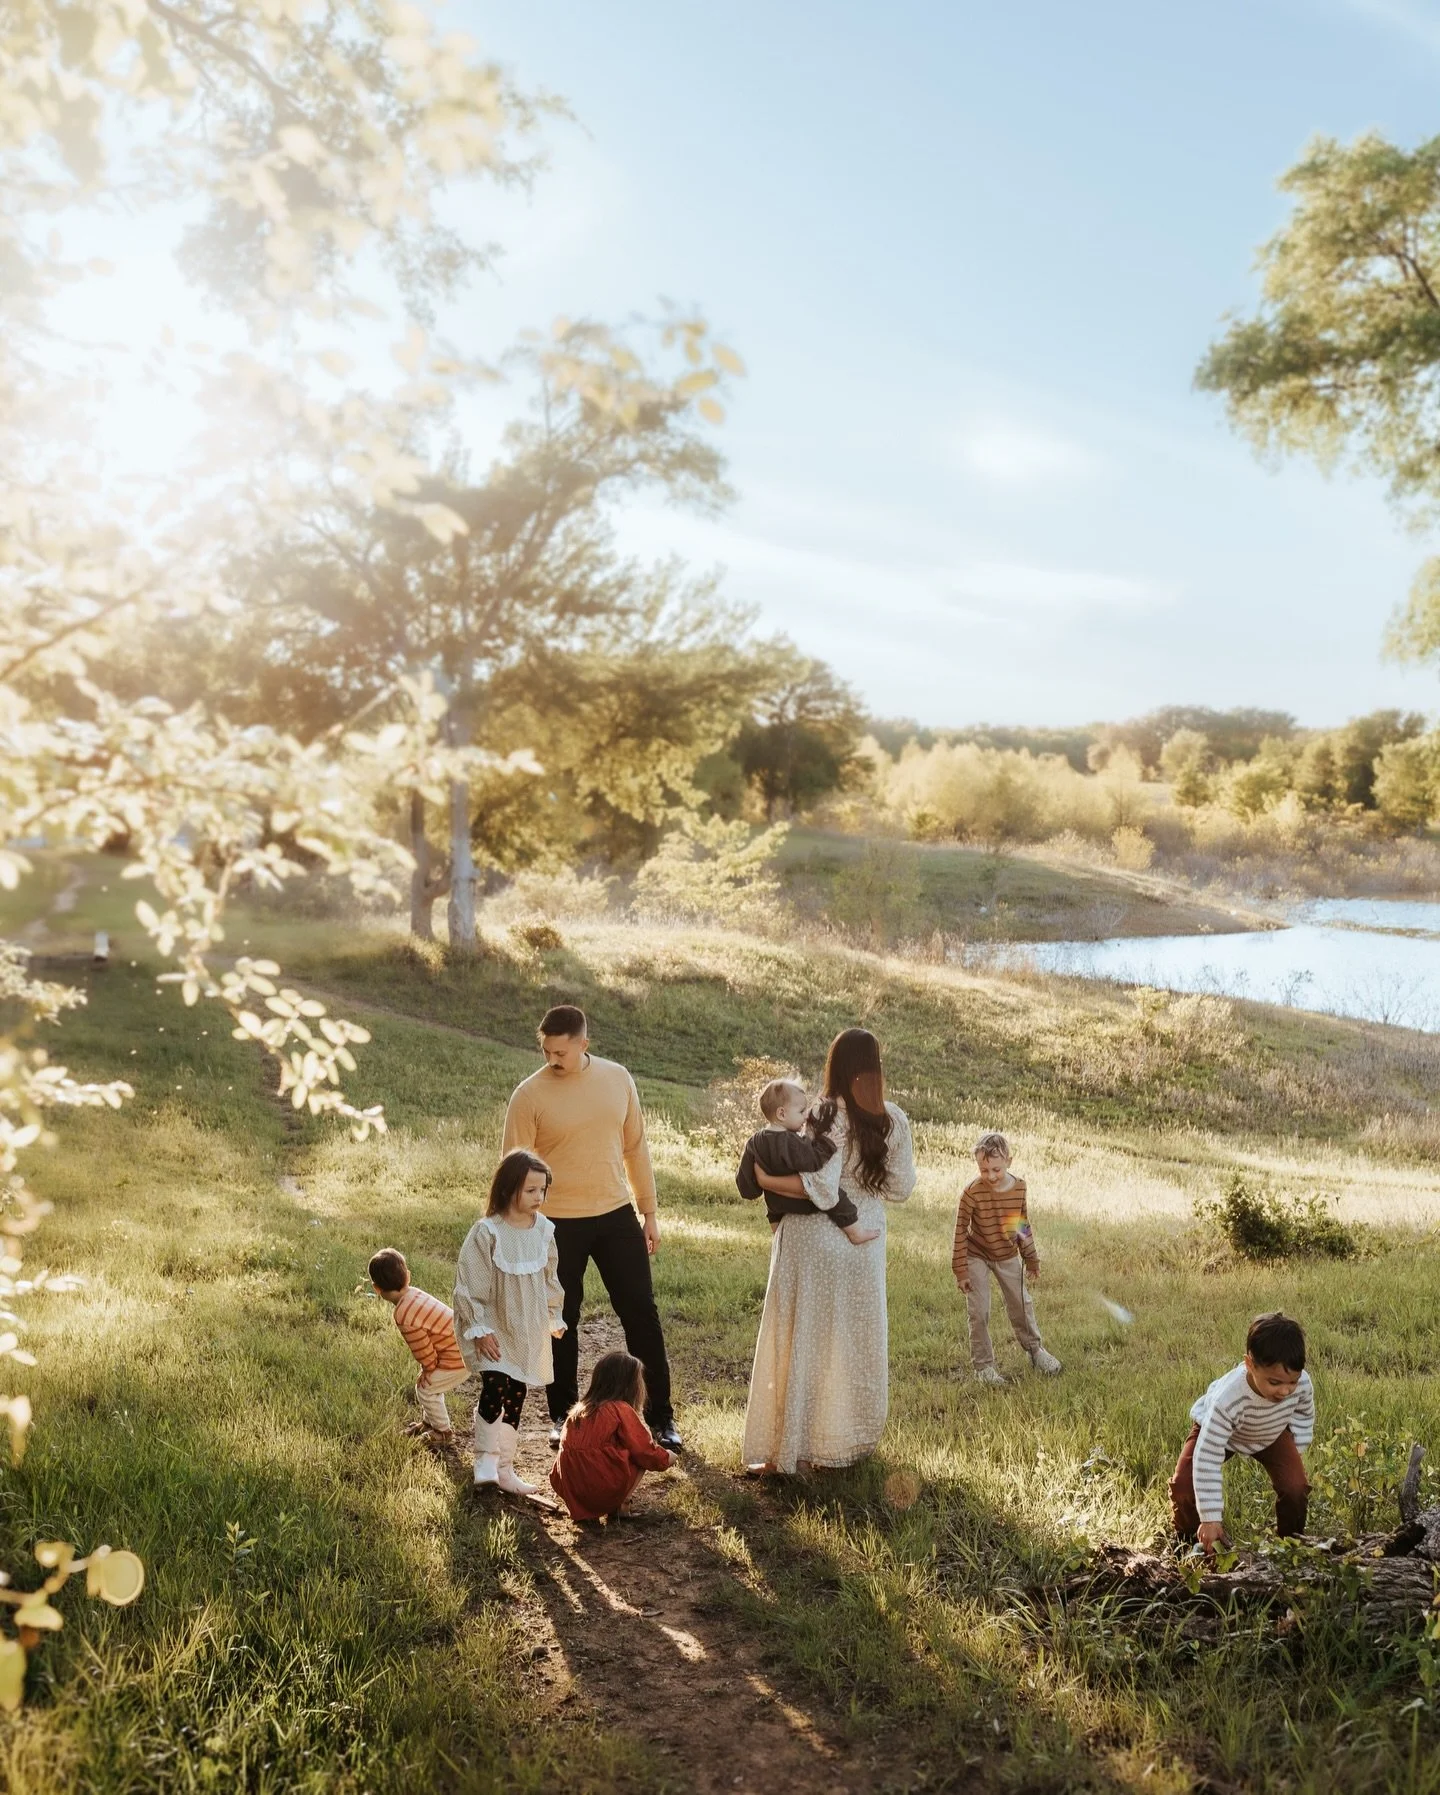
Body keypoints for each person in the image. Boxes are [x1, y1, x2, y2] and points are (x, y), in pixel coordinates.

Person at [502, 1005, 682, 1455]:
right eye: (546, 1050)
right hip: (555, 1222)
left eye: (560, 1051)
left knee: (641, 1312)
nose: (551, 1059)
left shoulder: (617, 1078)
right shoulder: (529, 1096)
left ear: (584, 1043)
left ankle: (661, 1418)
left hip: (616, 1212)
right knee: (561, 1320)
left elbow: (636, 1148)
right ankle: (563, 1417)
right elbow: (512, 1170)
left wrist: (650, 1212)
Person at [741, 1027, 916, 1475]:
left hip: (809, 1238)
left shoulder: (814, 1111)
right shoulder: (893, 1118)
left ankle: (793, 1450)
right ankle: (844, 1442)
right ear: (875, 1067)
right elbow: (900, 1188)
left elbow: (809, 1182)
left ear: (833, 1065)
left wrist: (765, 1182)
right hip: (863, 1237)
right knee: (850, 1342)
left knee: (801, 1340)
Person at [453, 1149, 566, 1495]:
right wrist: (479, 1328)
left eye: (542, 1190)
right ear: (508, 1188)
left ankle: (505, 1466)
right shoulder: (488, 1232)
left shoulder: (544, 1230)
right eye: (530, 1190)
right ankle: (485, 1459)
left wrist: (553, 1316)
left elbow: (550, 1278)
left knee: (517, 1392)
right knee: (495, 1387)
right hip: (496, 1326)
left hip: (526, 1328)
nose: (538, 1197)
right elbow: (470, 1284)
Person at [1170, 1311, 1314, 1551]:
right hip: (1220, 1434)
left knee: (1295, 1487)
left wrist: (1295, 1451)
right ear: (1249, 1365)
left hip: (1271, 1430)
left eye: (1292, 1382)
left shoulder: (1302, 1385)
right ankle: (1188, 1541)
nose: (1285, 1392)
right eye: (1275, 1382)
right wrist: (1210, 1517)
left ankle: (1291, 1546)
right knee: (1184, 1485)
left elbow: (1303, 1415)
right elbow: (1207, 1456)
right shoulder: (1228, 1400)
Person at [951, 1132, 1062, 1386]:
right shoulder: (971, 1192)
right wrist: (961, 1270)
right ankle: (984, 1368)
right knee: (979, 1311)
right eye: (984, 1169)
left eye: (996, 1169)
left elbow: (1021, 1225)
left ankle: (1036, 1351)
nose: (990, 1176)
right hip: (976, 1254)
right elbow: (960, 1230)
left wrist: (1031, 1258)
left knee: (1021, 1303)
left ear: (1009, 1161)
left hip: (1007, 1254)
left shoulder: (1019, 1187)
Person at [736, 1078, 880, 1246]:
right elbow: (811, 1161)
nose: (806, 1116)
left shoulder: (754, 1141)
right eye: (801, 1111)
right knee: (835, 1194)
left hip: (776, 1205)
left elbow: (744, 1181)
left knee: (772, 1211)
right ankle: (855, 1232)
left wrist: (756, 1187)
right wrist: (828, 1144)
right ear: (781, 1114)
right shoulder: (790, 1141)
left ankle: (776, 1234)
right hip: (801, 1201)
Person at [549, 1350, 673, 1522]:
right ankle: (622, 1505)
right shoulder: (619, 1409)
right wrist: (667, 1458)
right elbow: (644, 1450)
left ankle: (586, 1510)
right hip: (602, 1487)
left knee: (605, 1452)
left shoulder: (578, 1410)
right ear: (629, 1385)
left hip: (572, 1489)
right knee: (637, 1456)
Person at [369, 1247, 468, 1439]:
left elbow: (423, 1349)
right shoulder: (414, 1294)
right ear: (408, 1276)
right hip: (462, 1345)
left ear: (377, 1288)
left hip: (458, 1356)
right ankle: (429, 1422)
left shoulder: (404, 1314)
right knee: (428, 1386)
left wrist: (429, 1369)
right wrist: (428, 1368)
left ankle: (442, 1432)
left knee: (426, 1388)